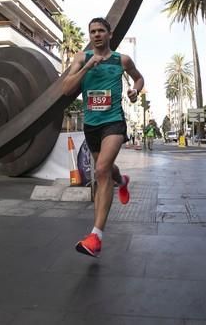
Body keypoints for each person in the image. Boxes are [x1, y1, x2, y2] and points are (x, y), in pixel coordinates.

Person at [62, 17, 144, 258]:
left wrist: (134, 90)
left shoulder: (122, 60)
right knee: (106, 171)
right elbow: (66, 89)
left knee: (100, 171)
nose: (96, 35)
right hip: (91, 124)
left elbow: (139, 78)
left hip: (114, 122)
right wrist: (88, 67)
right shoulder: (81, 58)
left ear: (109, 34)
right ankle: (123, 180)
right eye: (92, 31)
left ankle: (96, 236)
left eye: (100, 31)